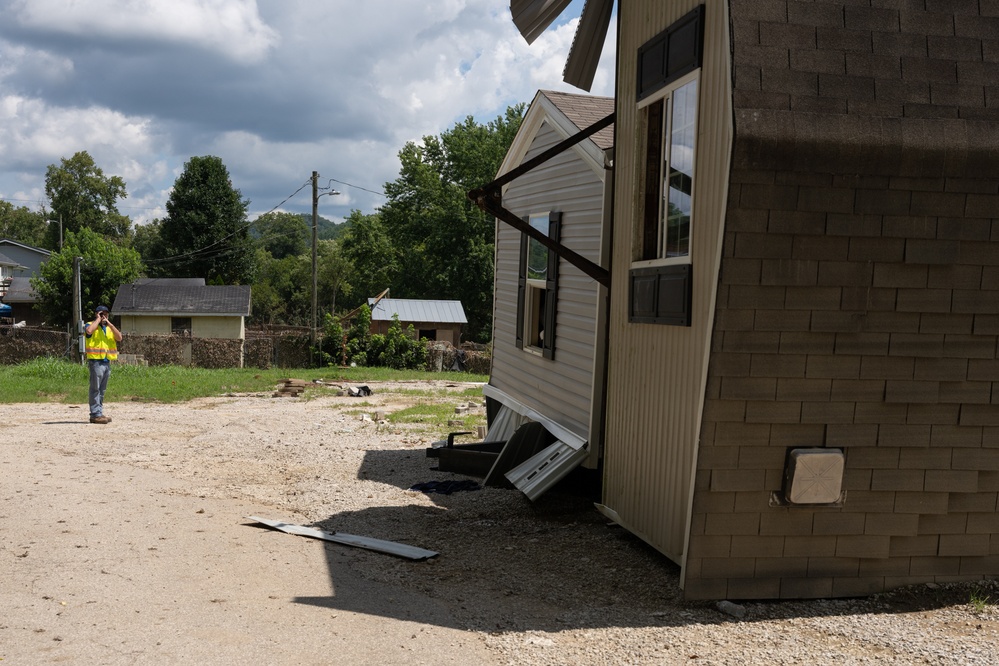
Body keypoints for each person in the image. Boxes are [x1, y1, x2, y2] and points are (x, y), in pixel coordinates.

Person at [84, 305, 122, 424]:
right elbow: (89, 331)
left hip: (106, 362)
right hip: (96, 361)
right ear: (96, 314)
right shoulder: (90, 325)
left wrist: (109, 323)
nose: (104, 316)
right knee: (95, 389)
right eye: (101, 314)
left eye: (106, 314)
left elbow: (119, 338)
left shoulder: (109, 328)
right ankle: (95, 414)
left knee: (102, 390)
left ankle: (99, 412)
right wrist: (98, 320)